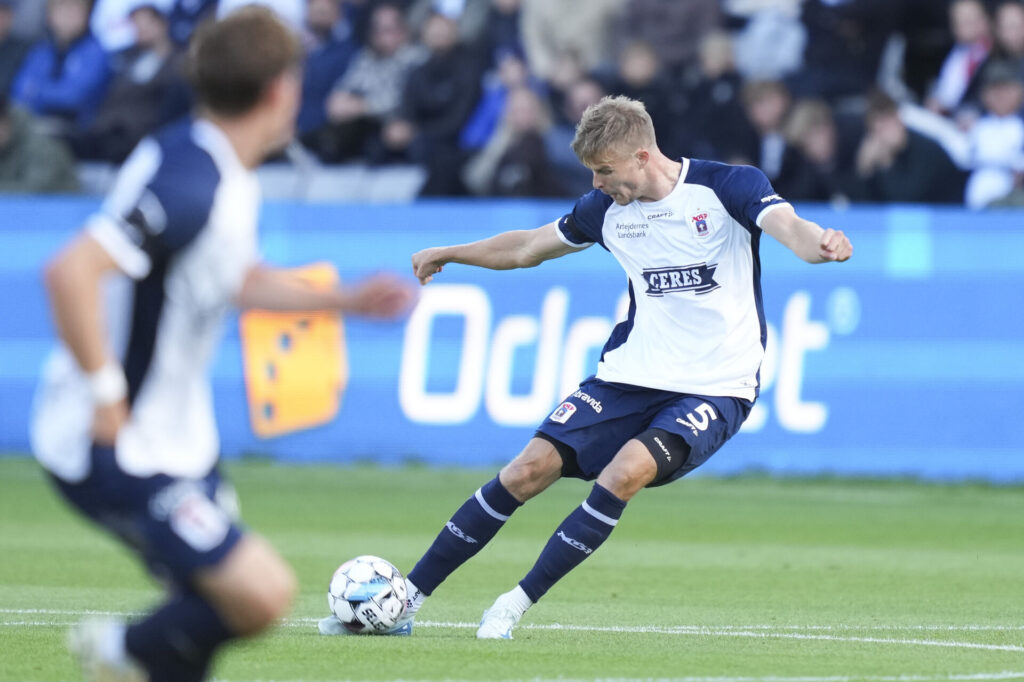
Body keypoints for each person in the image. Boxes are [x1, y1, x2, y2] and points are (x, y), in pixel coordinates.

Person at [317, 95, 853, 640]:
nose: (597, 184)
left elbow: (789, 228)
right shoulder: (607, 211)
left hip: (715, 388)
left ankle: (512, 604)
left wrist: (822, 243)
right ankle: (407, 599)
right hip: (628, 376)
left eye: (604, 170)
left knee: (624, 473)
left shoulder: (727, 186)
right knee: (526, 469)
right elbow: (526, 247)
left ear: (642, 156)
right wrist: (452, 252)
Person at [31, 8, 416, 682]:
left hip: (177, 443)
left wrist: (343, 299)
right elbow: (70, 272)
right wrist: (105, 393)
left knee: (219, 604)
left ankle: (132, 662)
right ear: (281, 91)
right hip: (116, 442)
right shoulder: (193, 182)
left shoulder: (212, 166)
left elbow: (235, 278)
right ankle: (119, 651)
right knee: (258, 592)